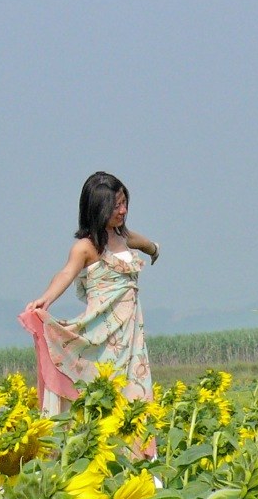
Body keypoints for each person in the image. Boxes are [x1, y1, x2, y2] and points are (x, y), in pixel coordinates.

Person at [19, 171, 159, 417]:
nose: (123, 210)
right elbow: (65, 274)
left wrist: (154, 249)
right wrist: (46, 298)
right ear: (98, 208)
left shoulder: (122, 236)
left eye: (125, 203)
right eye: (116, 206)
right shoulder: (86, 247)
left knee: (132, 398)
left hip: (131, 333)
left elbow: (141, 242)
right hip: (102, 334)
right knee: (102, 393)